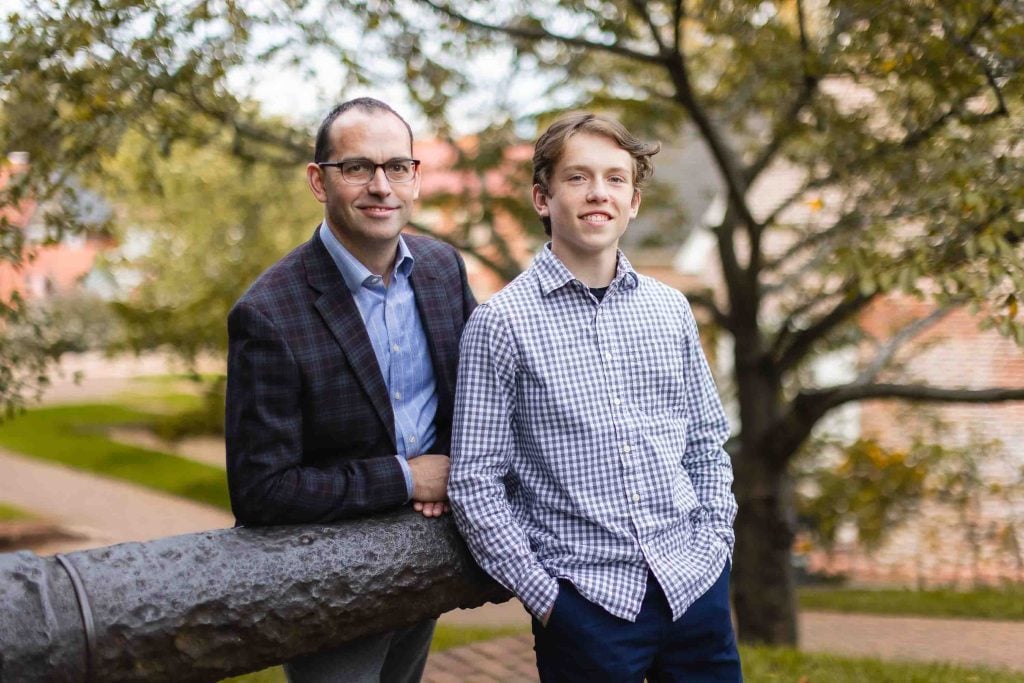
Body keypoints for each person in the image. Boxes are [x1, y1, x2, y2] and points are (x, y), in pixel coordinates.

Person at [449, 112, 741, 682]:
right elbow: (475, 482)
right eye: (578, 178)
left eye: (615, 178)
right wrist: (547, 599)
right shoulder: (501, 324)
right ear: (542, 196)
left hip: (694, 586)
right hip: (588, 607)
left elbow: (706, 442)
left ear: (633, 201)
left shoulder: (671, 310)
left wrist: (715, 544)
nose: (598, 193)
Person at [226, 97, 476, 683]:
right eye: (358, 167)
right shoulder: (268, 314)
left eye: (397, 167)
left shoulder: (443, 270)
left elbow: (476, 398)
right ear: (319, 180)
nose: (380, 187)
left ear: (416, 178)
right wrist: (412, 477)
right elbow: (262, 490)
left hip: (428, 555)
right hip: (330, 578)